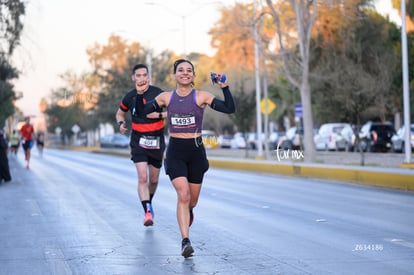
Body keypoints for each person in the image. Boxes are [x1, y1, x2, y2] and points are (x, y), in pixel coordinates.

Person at [136, 59, 235, 258]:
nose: (185, 73)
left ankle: (188, 212)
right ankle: (185, 241)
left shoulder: (202, 96)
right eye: (180, 70)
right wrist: (141, 94)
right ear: (174, 75)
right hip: (176, 152)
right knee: (183, 195)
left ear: (193, 75)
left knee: (192, 201)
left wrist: (225, 87)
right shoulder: (166, 97)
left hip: (196, 152)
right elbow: (141, 111)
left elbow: (229, 108)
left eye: (189, 70)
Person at [115, 64, 166, 227]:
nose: (142, 78)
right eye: (138, 75)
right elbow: (120, 112)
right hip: (138, 142)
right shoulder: (129, 97)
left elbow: (174, 110)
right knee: (143, 177)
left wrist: (158, 114)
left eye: (145, 75)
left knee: (154, 180)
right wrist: (121, 123)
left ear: (148, 77)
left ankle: (148, 201)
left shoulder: (159, 93)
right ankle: (148, 211)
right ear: (133, 78)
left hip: (157, 141)